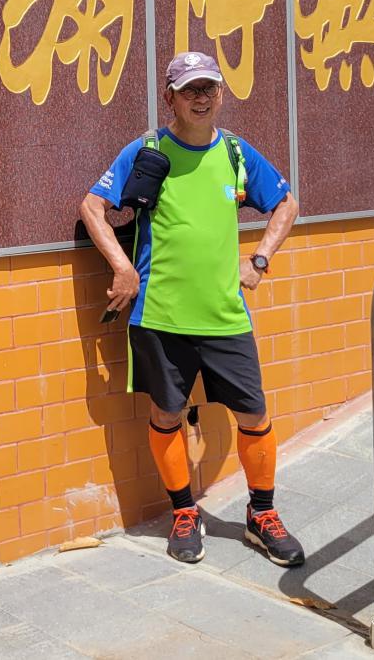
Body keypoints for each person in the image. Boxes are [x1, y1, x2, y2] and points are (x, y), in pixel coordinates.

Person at [77, 51, 304, 567]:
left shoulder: (236, 153)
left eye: (209, 88)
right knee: (166, 413)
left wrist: (260, 259)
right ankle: (184, 512)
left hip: (225, 316)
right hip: (160, 315)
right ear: (170, 98)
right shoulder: (148, 151)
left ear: (221, 94)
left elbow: (286, 203)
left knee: (254, 413)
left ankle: (262, 515)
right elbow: (92, 206)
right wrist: (122, 268)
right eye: (189, 90)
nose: (201, 98)